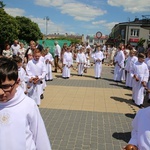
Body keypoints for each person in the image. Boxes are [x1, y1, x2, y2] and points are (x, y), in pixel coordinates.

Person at [0, 57, 51, 150]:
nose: (0, 92)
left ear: (17, 82)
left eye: (6, 86)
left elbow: (40, 137)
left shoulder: (28, 105)